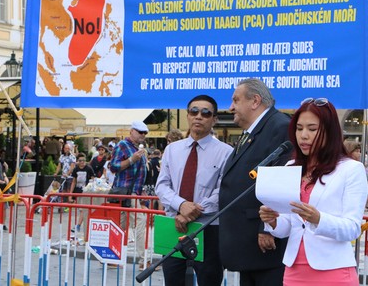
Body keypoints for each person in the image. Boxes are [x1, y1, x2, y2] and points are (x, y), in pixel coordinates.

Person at [259, 97, 368, 286]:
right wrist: (274, 221)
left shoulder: (351, 169)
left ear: (330, 131)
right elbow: (291, 226)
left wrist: (319, 219)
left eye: (312, 129)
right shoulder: (290, 166)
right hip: (294, 271)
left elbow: (352, 228)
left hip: (333, 271)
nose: (303, 135)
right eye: (299, 128)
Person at [219, 78, 291, 286]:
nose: (231, 107)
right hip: (247, 244)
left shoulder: (280, 127)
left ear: (255, 101)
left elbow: (281, 180)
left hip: (265, 244)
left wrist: (267, 227)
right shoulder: (253, 131)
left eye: (235, 100)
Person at [155, 95, 233, 286]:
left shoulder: (226, 152)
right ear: (188, 115)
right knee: (173, 280)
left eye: (206, 113)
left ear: (214, 119)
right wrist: (181, 205)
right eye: (194, 111)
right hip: (174, 225)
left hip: (208, 228)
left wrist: (192, 213)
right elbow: (162, 185)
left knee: (209, 280)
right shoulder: (172, 150)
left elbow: (223, 190)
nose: (199, 116)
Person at [109, 121, 150, 269]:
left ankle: (113, 257)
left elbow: (139, 173)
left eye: (145, 133)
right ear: (132, 131)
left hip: (131, 192)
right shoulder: (122, 145)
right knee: (140, 221)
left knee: (121, 225)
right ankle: (143, 260)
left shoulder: (135, 148)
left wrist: (141, 190)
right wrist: (132, 159)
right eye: (140, 132)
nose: (143, 135)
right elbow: (113, 166)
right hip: (125, 191)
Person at [70, 153, 95, 232]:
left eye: (84, 161)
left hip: (86, 191)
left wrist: (91, 189)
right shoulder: (76, 169)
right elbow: (74, 181)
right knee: (81, 209)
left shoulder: (89, 168)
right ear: (78, 161)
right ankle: (80, 224)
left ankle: (78, 225)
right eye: (80, 161)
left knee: (82, 209)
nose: (82, 162)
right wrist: (70, 194)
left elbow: (93, 179)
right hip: (78, 191)